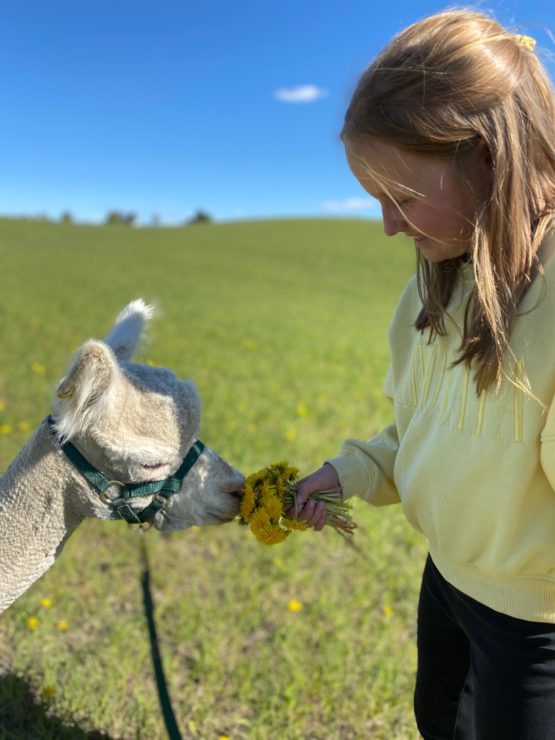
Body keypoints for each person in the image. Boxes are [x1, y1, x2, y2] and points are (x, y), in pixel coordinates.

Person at [293, 9, 555, 739]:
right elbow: (421, 434)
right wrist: (346, 472)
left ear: (486, 157)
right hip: (446, 582)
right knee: (437, 723)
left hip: (535, 629)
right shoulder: (430, 290)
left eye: (401, 198)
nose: (386, 225)